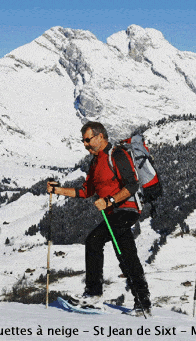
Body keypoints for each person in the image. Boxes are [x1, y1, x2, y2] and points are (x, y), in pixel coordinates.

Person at [46, 121, 151, 315]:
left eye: (87, 140)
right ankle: (143, 303)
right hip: (114, 212)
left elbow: (133, 185)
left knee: (94, 240)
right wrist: (57, 190)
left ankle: (93, 295)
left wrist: (110, 201)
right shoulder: (95, 162)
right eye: (83, 141)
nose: (85, 144)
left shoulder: (117, 154)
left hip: (127, 210)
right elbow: (86, 191)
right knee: (126, 254)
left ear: (100, 137)